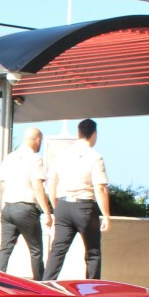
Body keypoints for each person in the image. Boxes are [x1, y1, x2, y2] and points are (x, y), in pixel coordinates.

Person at [43, 119, 110, 280]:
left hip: (63, 205)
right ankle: (92, 291)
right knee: (93, 251)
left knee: (58, 249)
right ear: (94, 135)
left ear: (78, 134)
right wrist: (106, 215)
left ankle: (46, 285)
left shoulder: (61, 155)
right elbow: (100, 188)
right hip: (84, 207)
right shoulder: (95, 156)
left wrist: (56, 207)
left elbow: (52, 183)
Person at [0, 127, 53, 277]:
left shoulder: (9, 157)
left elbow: (2, 185)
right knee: (35, 250)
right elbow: (37, 186)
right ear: (38, 140)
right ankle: (41, 284)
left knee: (5, 248)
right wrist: (47, 212)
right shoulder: (35, 158)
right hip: (26, 209)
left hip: (8, 208)